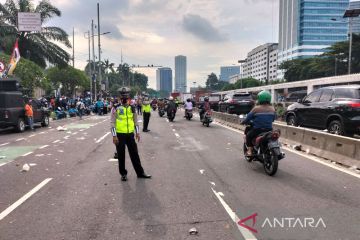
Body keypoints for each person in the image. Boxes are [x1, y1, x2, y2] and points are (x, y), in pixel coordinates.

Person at [110, 87, 151, 181]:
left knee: (135, 154)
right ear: (120, 98)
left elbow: (135, 121)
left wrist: (137, 133)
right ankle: (123, 174)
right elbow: (112, 122)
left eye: (126, 97)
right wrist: (114, 135)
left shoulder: (132, 108)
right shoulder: (115, 108)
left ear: (129, 98)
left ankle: (140, 173)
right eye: (123, 97)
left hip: (130, 135)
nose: (125, 99)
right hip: (119, 135)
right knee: (121, 155)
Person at [241, 91, 276, 156]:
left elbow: (248, 118)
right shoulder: (272, 109)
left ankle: (250, 151)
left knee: (248, 135)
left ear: (259, 99)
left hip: (257, 130)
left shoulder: (256, 109)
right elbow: (273, 119)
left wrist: (243, 122)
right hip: (269, 130)